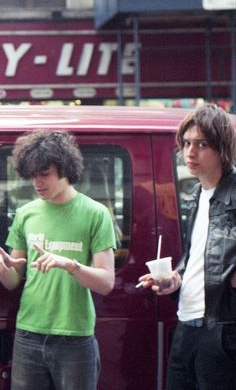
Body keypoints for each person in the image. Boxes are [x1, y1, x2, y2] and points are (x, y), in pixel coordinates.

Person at [0, 129, 116, 390]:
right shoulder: (25, 214)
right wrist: (3, 268)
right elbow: (12, 280)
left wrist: (69, 264)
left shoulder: (95, 214)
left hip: (74, 337)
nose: (37, 182)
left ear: (65, 169)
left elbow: (106, 282)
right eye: (32, 175)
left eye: (45, 174)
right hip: (29, 332)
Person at [139, 103, 236, 390]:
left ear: (222, 148)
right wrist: (175, 279)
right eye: (186, 143)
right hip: (187, 325)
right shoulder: (198, 194)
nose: (190, 152)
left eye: (201, 144)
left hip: (222, 332)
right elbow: (197, 257)